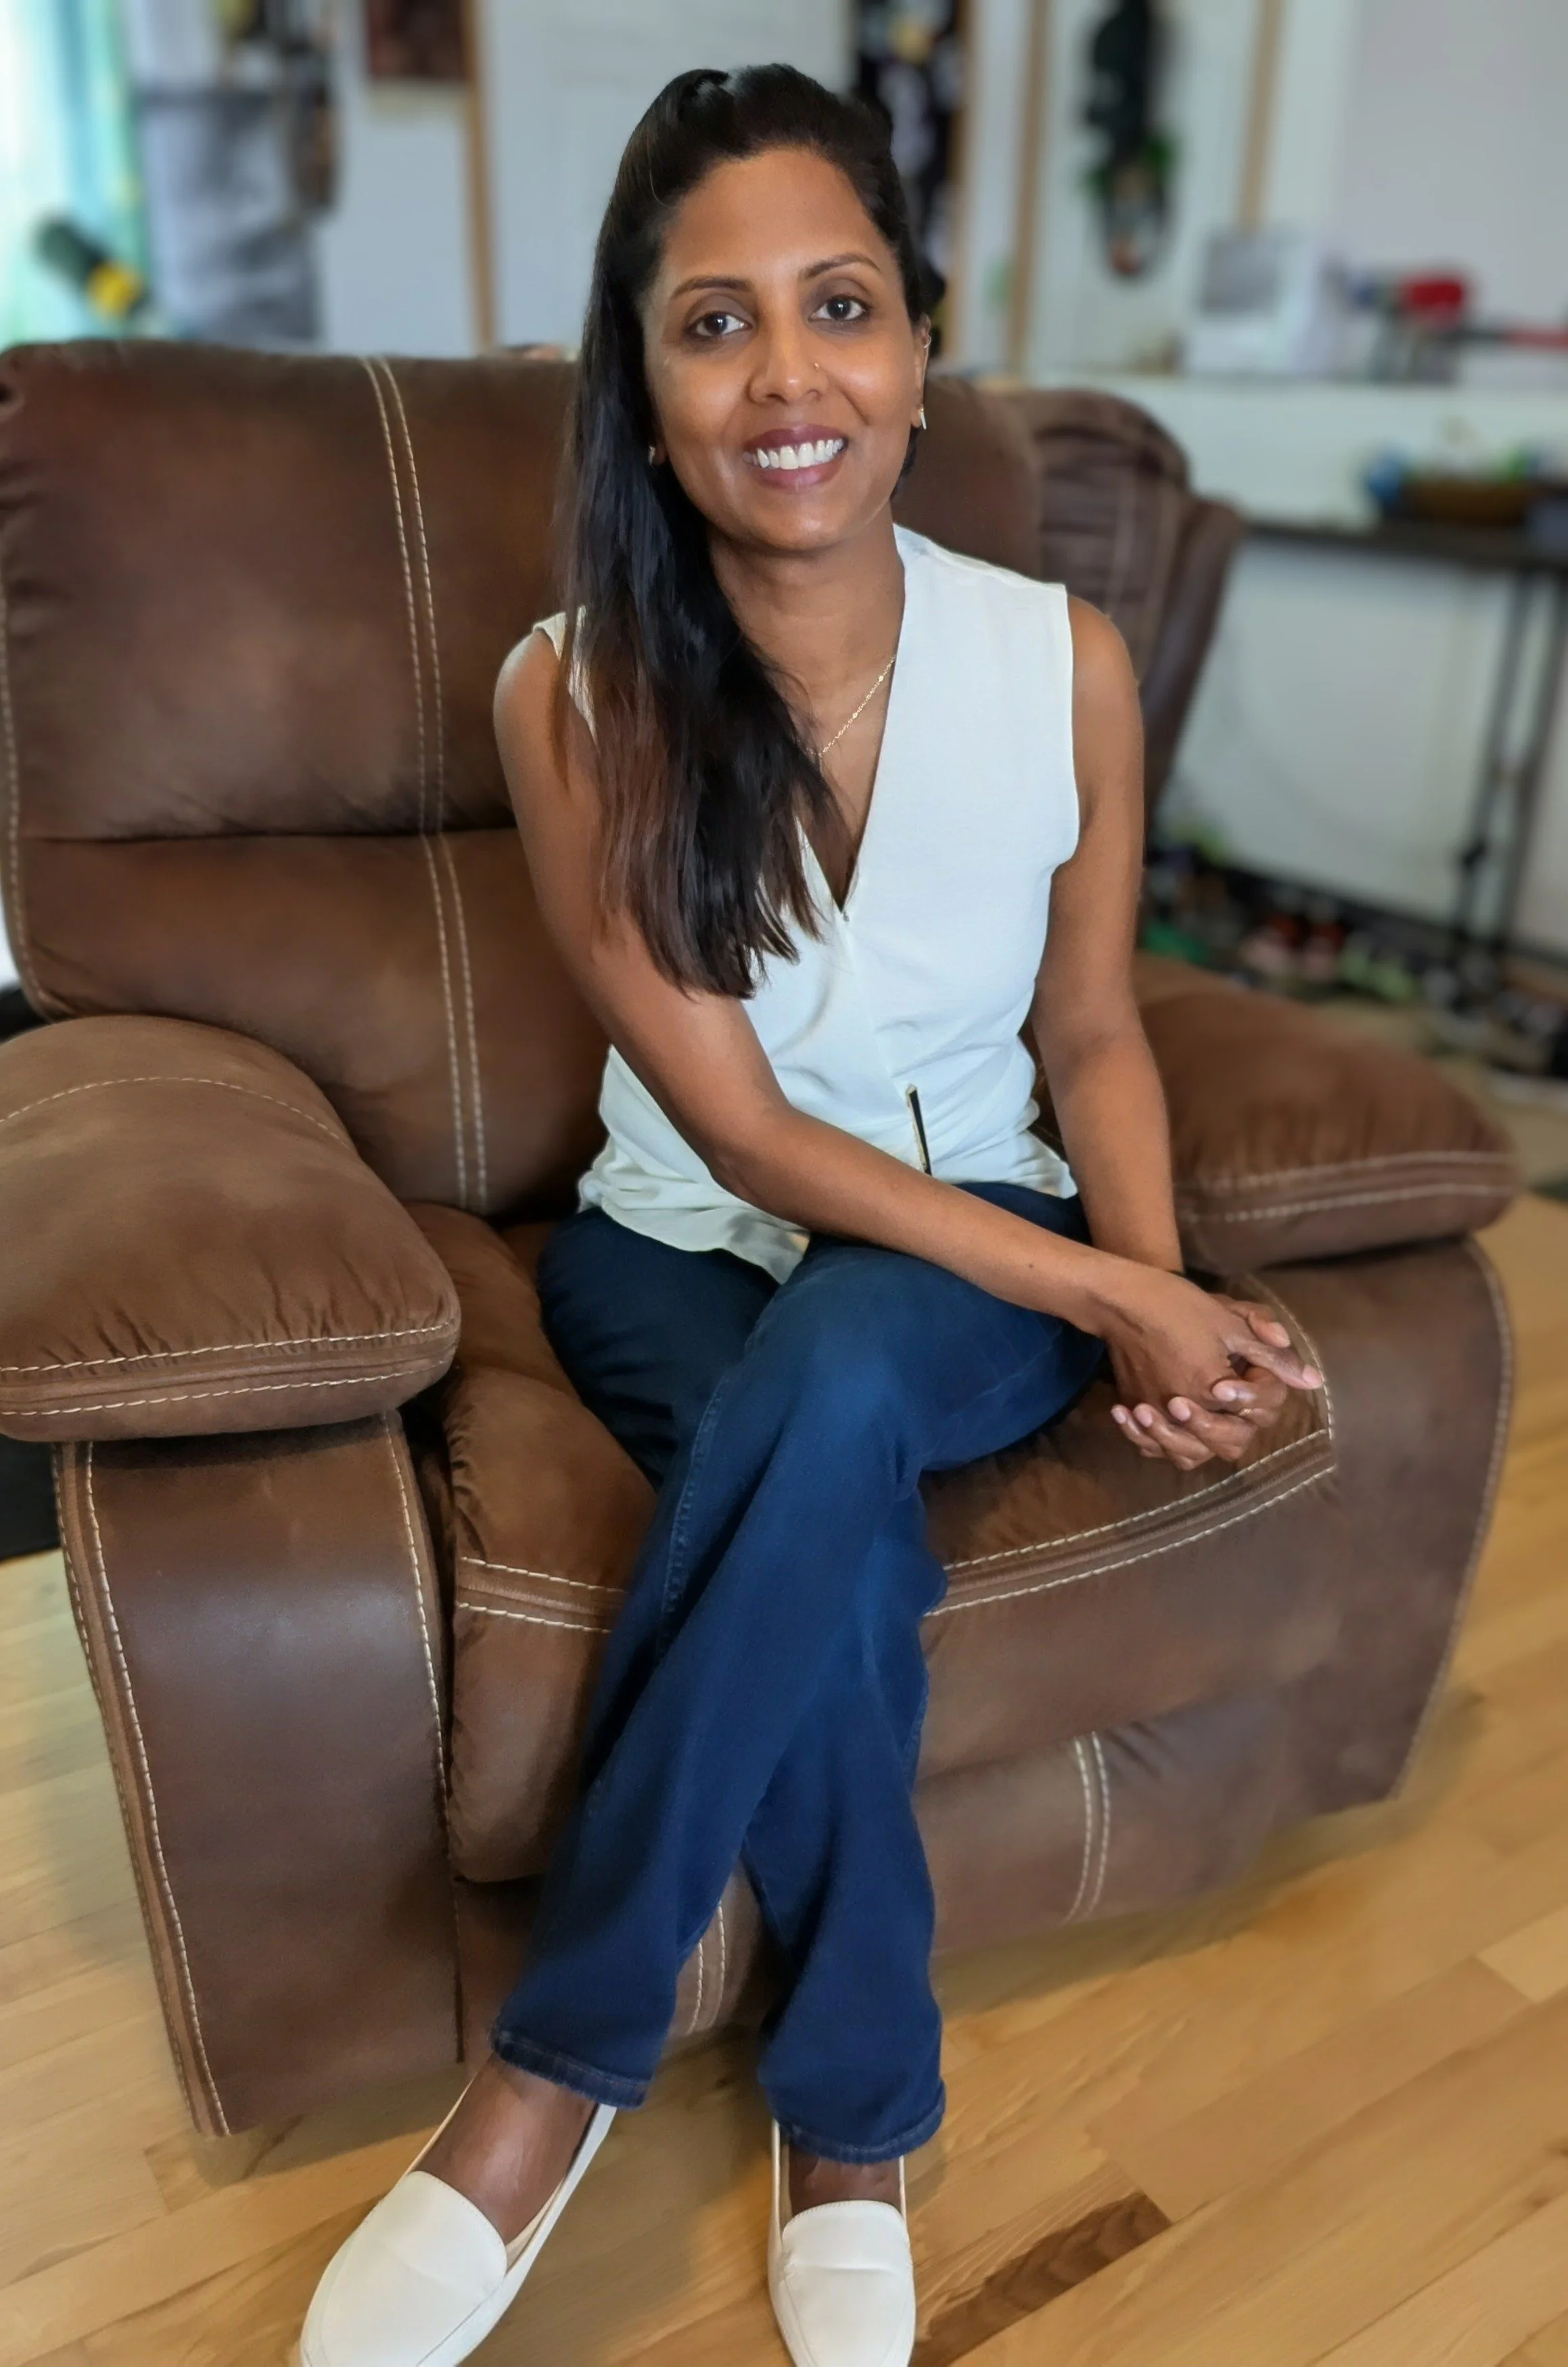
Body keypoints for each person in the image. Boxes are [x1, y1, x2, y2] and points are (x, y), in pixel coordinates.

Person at [297, 62, 1320, 2367]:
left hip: (967, 1264)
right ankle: (846, 2122)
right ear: (642, 389)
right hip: (669, 1251)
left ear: (920, 350)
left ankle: (538, 2086)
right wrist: (1115, 1292)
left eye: (838, 307)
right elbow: (744, 1142)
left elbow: (1093, 1041)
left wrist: (1150, 1286)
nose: (788, 378)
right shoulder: (571, 700)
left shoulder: (1060, 660)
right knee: (827, 1508)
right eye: (713, 324)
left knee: (859, 1359)